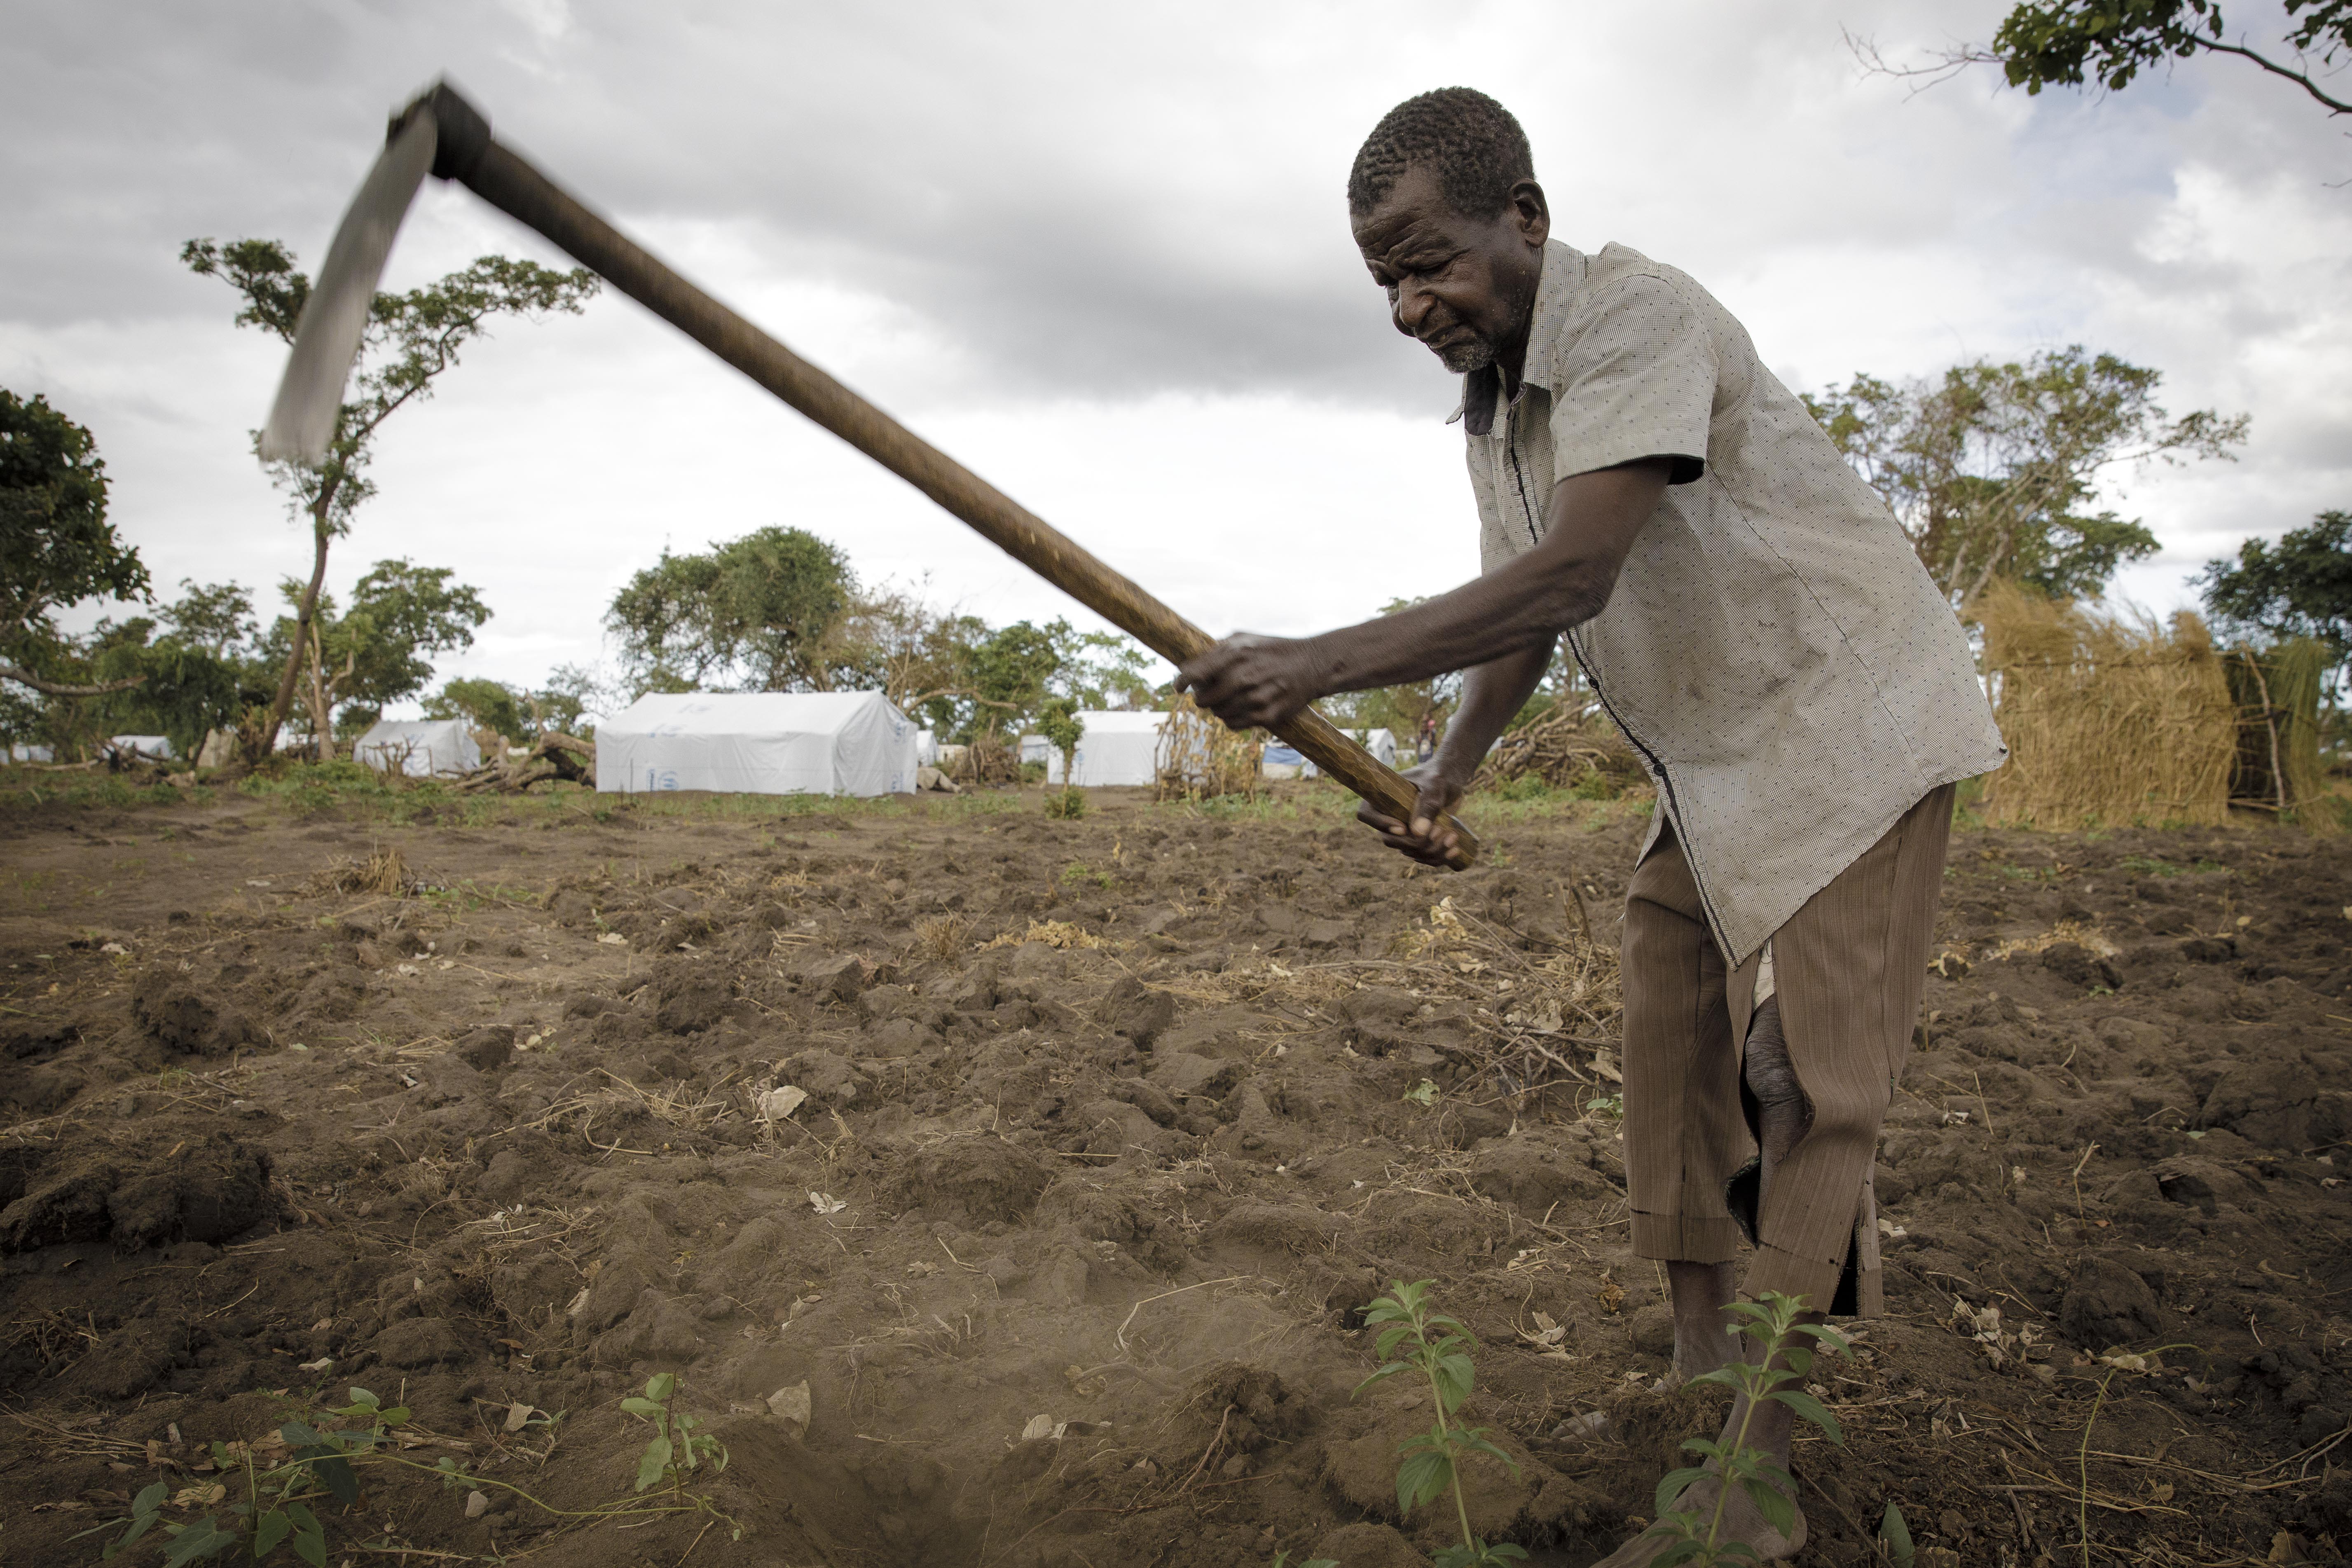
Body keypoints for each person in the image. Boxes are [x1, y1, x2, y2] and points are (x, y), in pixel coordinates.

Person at [1175, 87, 2004, 1563]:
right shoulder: (1499, 408)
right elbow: (1519, 622)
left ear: (1527, 219)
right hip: (1720, 753)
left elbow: (1572, 580)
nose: (1411, 303)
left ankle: (1751, 1485)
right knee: (1673, 1014)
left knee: (1807, 1075)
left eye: (1430, 262)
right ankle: (1699, 1381)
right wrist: (1442, 778)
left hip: (1851, 720)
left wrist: (1314, 662)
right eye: (1385, 281)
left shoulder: (1634, 319)